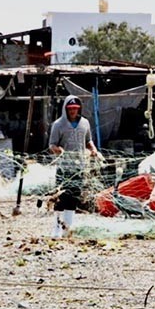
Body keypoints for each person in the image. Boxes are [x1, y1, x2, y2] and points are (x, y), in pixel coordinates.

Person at [48, 95, 97, 237]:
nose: (73, 112)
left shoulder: (85, 123)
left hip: (79, 166)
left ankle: (67, 228)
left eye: (75, 109)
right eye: (70, 109)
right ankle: (56, 228)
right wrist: (58, 150)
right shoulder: (58, 125)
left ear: (79, 109)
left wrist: (93, 149)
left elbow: (88, 140)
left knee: (74, 198)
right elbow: (52, 144)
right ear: (65, 109)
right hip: (64, 166)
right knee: (60, 197)